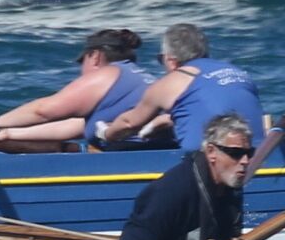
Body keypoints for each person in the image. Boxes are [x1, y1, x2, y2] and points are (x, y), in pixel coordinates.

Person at [114, 113, 260, 240]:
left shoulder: (230, 187)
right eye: (235, 153)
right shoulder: (173, 190)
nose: (245, 161)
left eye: (249, 153)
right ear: (211, 152)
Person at [0, 29, 154, 153]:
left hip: (132, 156)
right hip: (151, 153)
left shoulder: (108, 74)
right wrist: (8, 133)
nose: (81, 71)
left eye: (82, 62)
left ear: (95, 57)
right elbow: (73, 127)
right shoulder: (139, 78)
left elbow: (43, 110)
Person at [103, 22, 271, 154]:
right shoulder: (238, 72)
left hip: (206, 163)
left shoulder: (172, 82)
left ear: (171, 59)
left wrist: (106, 134)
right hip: (256, 154)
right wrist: (163, 121)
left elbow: (128, 123)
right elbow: (215, 108)